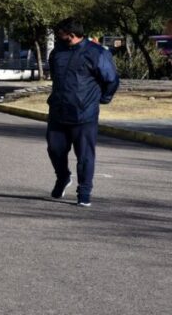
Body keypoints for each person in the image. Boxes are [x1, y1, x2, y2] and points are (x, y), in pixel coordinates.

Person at [46, 17, 119, 207]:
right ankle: (63, 178)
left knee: (85, 156)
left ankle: (84, 192)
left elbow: (111, 80)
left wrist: (103, 99)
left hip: (84, 114)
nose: (57, 37)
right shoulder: (57, 52)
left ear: (70, 35)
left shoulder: (96, 53)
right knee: (54, 150)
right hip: (58, 111)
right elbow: (56, 77)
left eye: (60, 34)